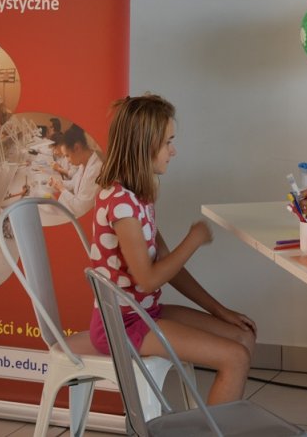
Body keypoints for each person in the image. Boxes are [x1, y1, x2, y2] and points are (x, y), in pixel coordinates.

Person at [89, 94, 256, 404]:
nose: (173, 151)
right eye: (168, 142)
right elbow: (148, 279)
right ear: (144, 146)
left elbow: (168, 266)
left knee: (242, 336)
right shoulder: (121, 204)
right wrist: (193, 241)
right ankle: (215, 427)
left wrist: (219, 311)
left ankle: (220, 422)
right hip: (123, 325)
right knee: (235, 357)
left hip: (145, 313)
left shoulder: (139, 197)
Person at [48, 125, 101, 217]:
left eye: (67, 155)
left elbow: (81, 209)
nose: (67, 160)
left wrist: (62, 189)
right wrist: (59, 183)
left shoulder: (95, 170)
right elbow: (74, 183)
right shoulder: (83, 164)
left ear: (77, 148)